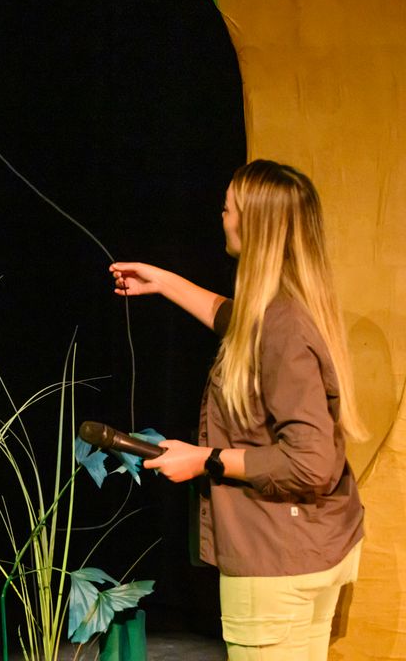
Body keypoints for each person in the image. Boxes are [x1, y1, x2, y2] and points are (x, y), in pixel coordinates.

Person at [109, 159, 365, 660]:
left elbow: (309, 461)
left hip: (276, 560)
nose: (222, 215)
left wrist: (204, 459)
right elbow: (241, 322)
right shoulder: (288, 307)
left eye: (229, 208)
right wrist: (164, 281)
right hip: (313, 544)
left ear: (255, 225)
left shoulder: (284, 326)